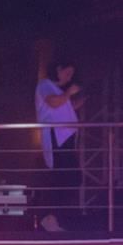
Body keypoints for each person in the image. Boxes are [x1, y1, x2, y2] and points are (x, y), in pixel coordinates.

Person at [34, 60, 83, 232]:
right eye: (67, 72)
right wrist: (69, 93)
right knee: (65, 177)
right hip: (57, 136)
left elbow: (62, 106)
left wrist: (77, 100)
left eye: (71, 74)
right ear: (58, 69)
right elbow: (53, 102)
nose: (69, 77)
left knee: (71, 177)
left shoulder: (58, 90)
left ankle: (56, 217)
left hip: (65, 137)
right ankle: (50, 218)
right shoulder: (45, 84)